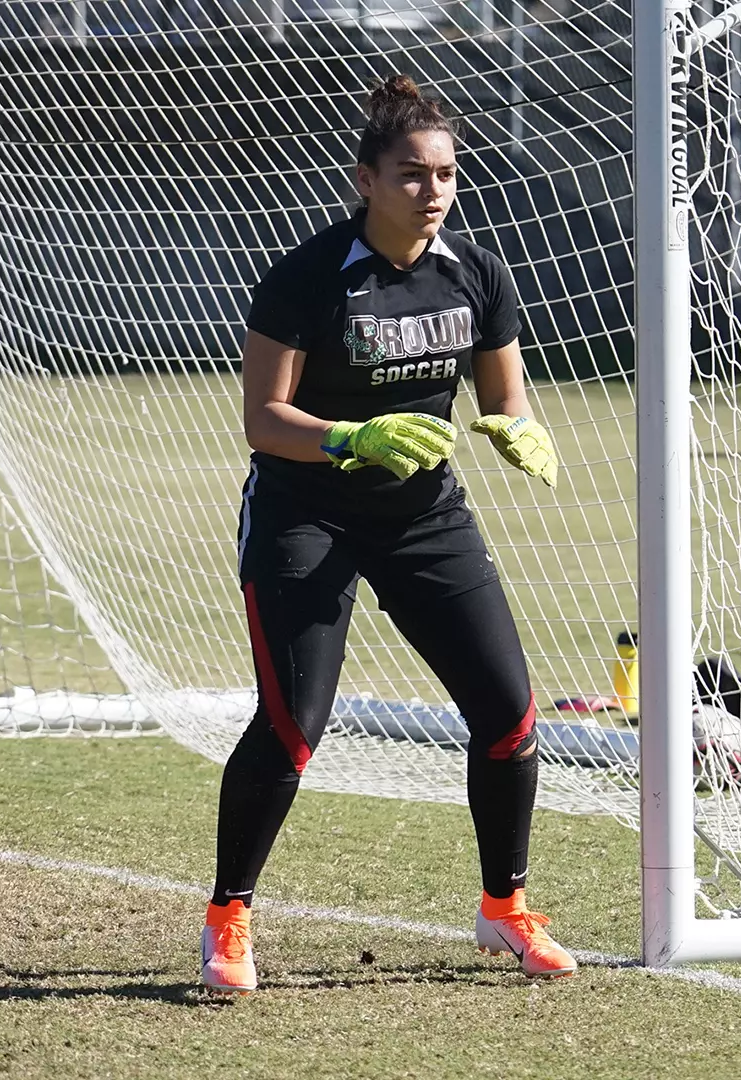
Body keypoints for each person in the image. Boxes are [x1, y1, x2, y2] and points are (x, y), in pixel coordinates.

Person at [201, 74, 575, 993]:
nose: (434, 190)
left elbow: (503, 393)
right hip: (307, 515)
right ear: (364, 179)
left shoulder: (477, 273)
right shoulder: (304, 276)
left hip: (424, 516)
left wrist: (518, 426)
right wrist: (348, 437)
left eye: (447, 173)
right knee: (294, 728)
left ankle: (504, 909)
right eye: (412, 174)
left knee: (511, 718)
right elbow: (262, 417)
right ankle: (228, 916)